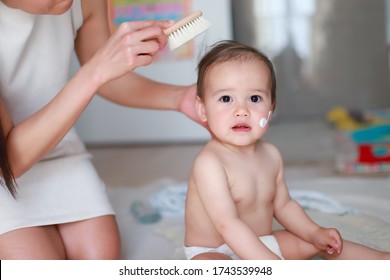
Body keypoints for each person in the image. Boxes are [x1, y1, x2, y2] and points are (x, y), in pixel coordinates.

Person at [0, 0, 202, 259]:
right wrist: (94, 72)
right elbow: (9, 162)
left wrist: (178, 98)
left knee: (101, 258)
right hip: (5, 168)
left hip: (58, 151)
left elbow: (111, 80)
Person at [184, 40, 390, 260]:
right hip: (214, 251)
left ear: (271, 107)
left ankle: (380, 260)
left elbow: (283, 205)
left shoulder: (271, 155)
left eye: (255, 98)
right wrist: (270, 264)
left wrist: (314, 232)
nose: (242, 111)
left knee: (321, 244)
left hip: (260, 242)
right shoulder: (210, 163)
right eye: (226, 99)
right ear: (203, 109)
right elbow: (228, 224)